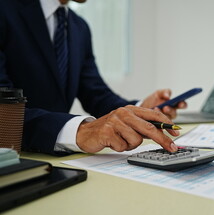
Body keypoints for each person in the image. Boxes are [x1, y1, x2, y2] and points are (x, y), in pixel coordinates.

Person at [0, 0, 187, 155]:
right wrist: (79, 131)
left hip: (60, 162)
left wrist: (140, 110)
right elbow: (3, 111)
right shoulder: (5, 9)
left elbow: (96, 95)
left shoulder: (79, 27)